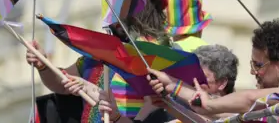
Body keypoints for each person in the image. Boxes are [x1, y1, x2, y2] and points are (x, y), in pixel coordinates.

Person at [26, 0, 171, 122]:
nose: (111, 19)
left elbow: (154, 108)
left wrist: (93, 91)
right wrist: (43, 66)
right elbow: (61, 83)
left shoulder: (160, 59)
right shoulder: (96, 56)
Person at [147, 19, 279, 118]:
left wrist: (208, 104)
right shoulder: (272, 105)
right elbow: (219, 116)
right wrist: (171, 89)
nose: (252, 72)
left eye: (258, 65)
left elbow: (248, 99)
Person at [98, 44, 240, 122]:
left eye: (201, 77)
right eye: (191, 75)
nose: (193, 81)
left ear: (221, 83)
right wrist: (115, 116)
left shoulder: (240, 114)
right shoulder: (167, 101)